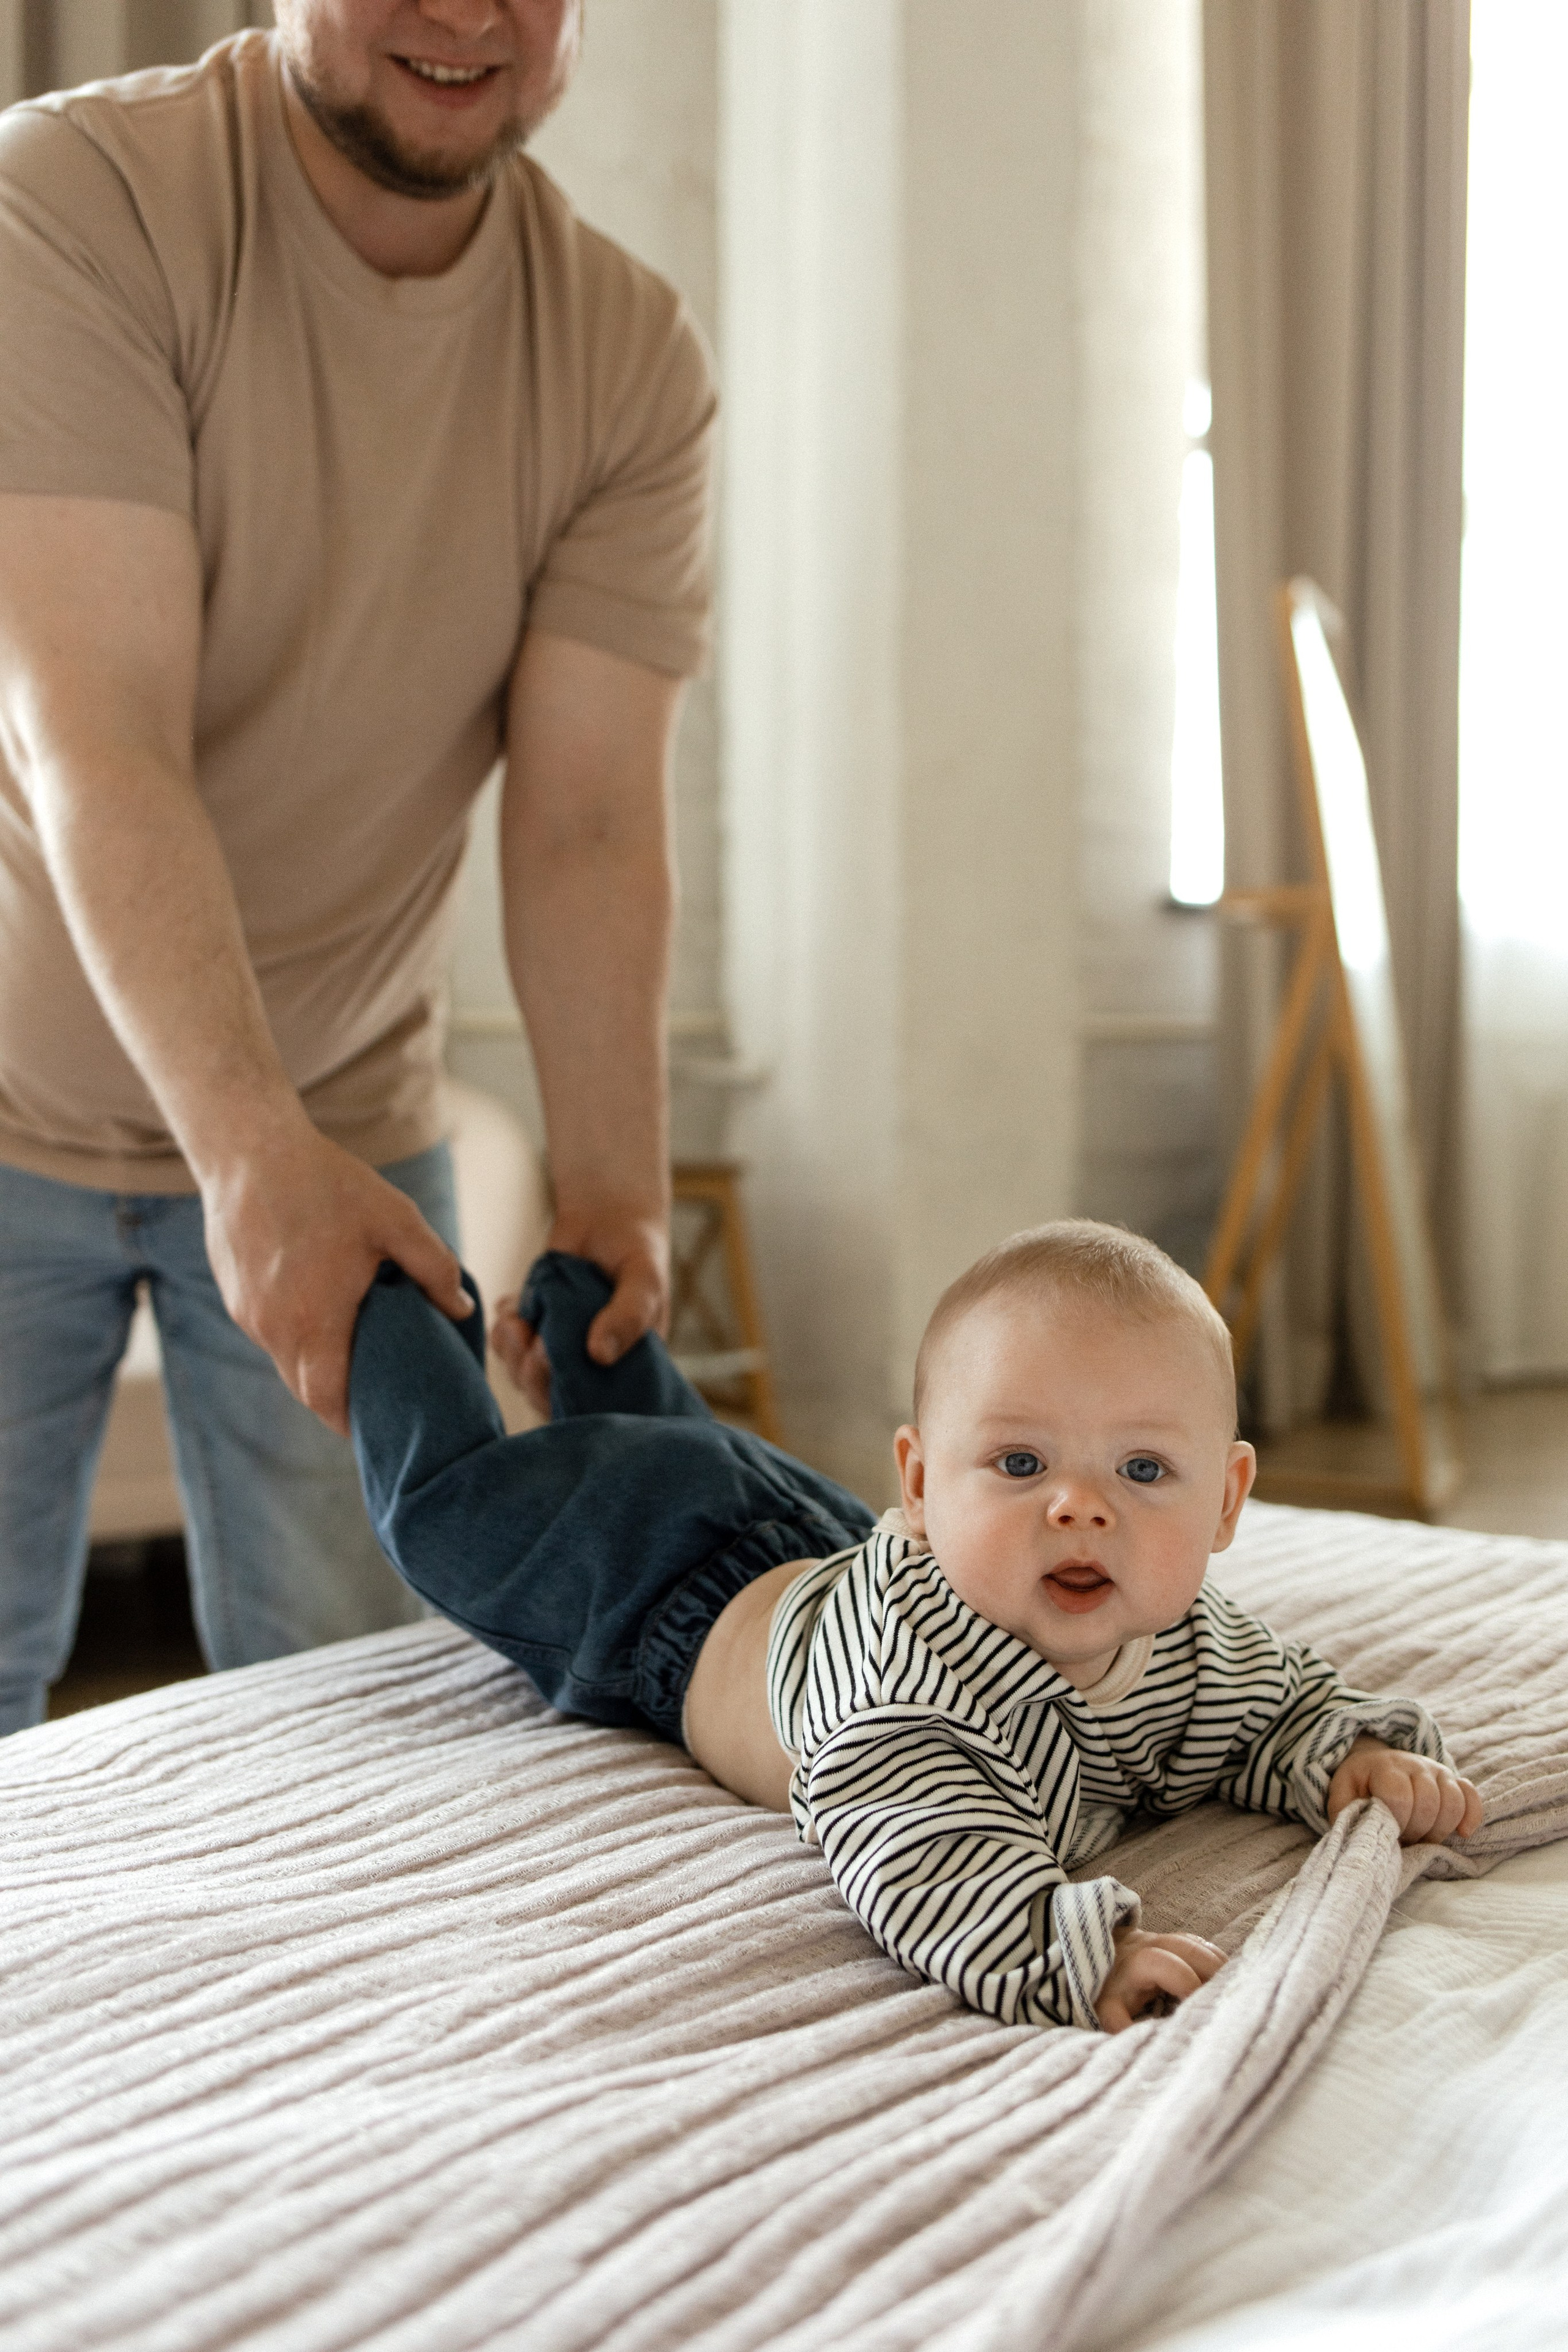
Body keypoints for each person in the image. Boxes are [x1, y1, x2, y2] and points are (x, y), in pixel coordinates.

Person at [0, 1, 717, 1733]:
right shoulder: (72, 204)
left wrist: (615, 1192)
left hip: (352, 1132)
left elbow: (588, 821)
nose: (467, 13)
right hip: (23, 1092)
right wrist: (248, 1160)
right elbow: (97, 734)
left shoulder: (625, 355)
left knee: (360, 1727)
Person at [347, 1220, 1484, 2035]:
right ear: (925, 1483)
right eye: (1022, 1461)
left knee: (667, 1429)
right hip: (652, 1580)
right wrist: (1083, 1955)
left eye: (1143, 1469)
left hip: (802, 1524)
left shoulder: (1179, 1638)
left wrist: (1353, 1758)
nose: (1080, 1507)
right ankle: (391, 1295)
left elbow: (1269, 1704)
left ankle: (578, 1304)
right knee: (450, 1508)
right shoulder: (907, 1695)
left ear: (1228, 1501)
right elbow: (927, 1862)